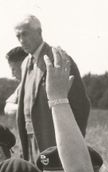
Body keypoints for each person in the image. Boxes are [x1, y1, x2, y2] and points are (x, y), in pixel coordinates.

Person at [14, 14, 90, 163]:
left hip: (54, 143)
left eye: (25, 34)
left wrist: (72, 143)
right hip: (30, 143)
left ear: (39, 32)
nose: (22, 40)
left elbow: (81, 105)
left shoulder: (57, 58)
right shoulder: (25, 64)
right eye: (18, 36)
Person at [4, 46, 28, 118]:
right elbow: (7, 107)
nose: (12, 74)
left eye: (13, 69)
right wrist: (26, 109)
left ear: (23, 65)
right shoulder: (22, 85)